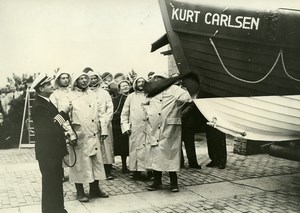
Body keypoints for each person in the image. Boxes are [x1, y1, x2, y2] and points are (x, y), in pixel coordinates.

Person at [143, 72, 192, 192]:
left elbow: (188, 98)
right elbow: (144, 103)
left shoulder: (174, 89)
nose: (158, 80)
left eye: (160, 78)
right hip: (155, 126)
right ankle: (157, 181)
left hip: (169, 127)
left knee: (171, 154)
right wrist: (149, 113)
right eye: (156, 78)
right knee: (156, 154)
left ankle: (174, 183)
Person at [31, 73, 70, 213]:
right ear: (41, 88)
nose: (51, 86)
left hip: (53, 151)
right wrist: (64, 113)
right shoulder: (38, 106)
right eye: (48, 84)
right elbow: (50, 127)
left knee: (55, 183)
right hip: (48, 153)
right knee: (50, 184)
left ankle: (59, 209)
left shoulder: (46, 102)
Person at [67, 71, 109, 202]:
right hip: (79, 135)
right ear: (76, 81)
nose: (84, 80)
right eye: (81, 78)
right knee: (79, 163)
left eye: (86, 78)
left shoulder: (93, 94)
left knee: (95, 161)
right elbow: (63, 117)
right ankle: (80, 191)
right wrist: (70, 133)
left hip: (94, 133)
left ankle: (95, 188)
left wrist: (103, 130)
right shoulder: (69, 96)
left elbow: (101, 112)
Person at [120, 76, 152, 180]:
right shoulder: (131, 97)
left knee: (148, 149)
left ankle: (150, 171)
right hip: (135, 128)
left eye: (143, 82)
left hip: (148, 127)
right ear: (135, 84)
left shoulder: (150, 95)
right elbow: (124, 112)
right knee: (135, 149)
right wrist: (125, 126)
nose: (141, 84)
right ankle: (135, 171)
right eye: (139, 82)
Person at [88, 70, 114, 180]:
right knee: (94, 147)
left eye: (95, 78)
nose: (93, 80)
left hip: (104, 123)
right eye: (91, 78)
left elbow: (109, 107)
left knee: (106, 147)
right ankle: (95, 170)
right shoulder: (87, 93)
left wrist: (106, 121)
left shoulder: (104, 93)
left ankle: (108, 170)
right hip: (92, 124)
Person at [50, 70, 75, 181]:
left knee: (74, 149)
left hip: (74, 121)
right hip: (61, 122)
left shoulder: (73, 92)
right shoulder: (55, 94)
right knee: (62, 149)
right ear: (58, 80)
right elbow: (54, 110)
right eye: (62, 78)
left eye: (67, 77)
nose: (65, 80)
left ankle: (75, 173)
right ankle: (61, 173)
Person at [112, 80, 131, 173]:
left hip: (132, 124)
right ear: (119, 89)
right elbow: (115, 111)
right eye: (123, 86)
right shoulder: (117, 99)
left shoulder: (133, 96)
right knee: (123, 146)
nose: (125, 87)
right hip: (119, 125)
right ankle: (124, 165)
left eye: (127, 85)